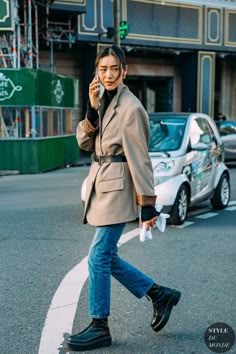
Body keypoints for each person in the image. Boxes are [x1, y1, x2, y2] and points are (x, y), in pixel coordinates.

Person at [66, 45, 181, 352]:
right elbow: (84, 143)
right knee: (107, 257)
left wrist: (147, 204)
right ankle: (159, 294)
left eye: (114, 69)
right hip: (101, 185)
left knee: (99, 256)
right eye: (102, 69)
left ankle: (100, 326)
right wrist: (91, 110)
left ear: (124, 71)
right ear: (96, 72)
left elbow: (140, 158)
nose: (108, 74)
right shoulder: (103, 99)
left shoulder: (131, 108)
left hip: (118, 190)